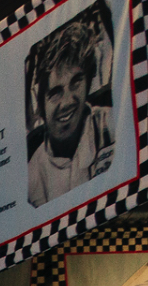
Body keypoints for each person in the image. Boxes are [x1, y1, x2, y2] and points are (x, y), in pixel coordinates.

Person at [28, 19, 116, 207]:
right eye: (55, 93)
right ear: (40, 103)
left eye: (76, 82)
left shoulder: (111, 124)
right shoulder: (32, 176)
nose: (68, 102)